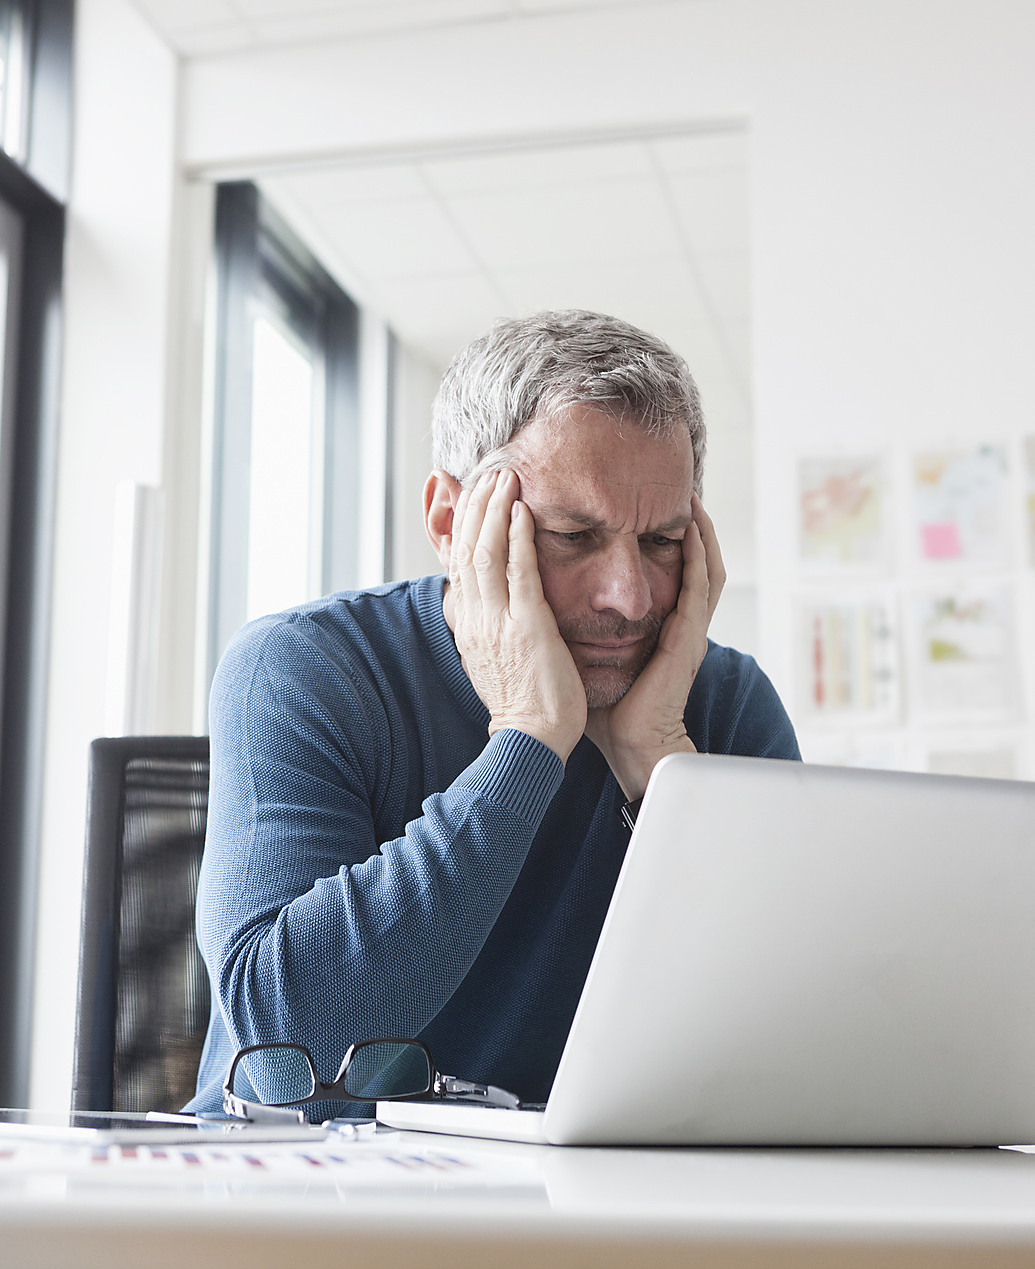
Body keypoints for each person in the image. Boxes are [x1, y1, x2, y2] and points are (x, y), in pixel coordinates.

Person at [184, 310, 800, 1116]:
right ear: (451, 521)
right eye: (574, 536)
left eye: (662, 541)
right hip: (312, 1200)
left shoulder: (722, 705)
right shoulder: (303, 670)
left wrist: (666, 774)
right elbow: (290, 1055)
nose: (631, 595)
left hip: (585, 1209)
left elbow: (799, 1033)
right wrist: (528, 737)